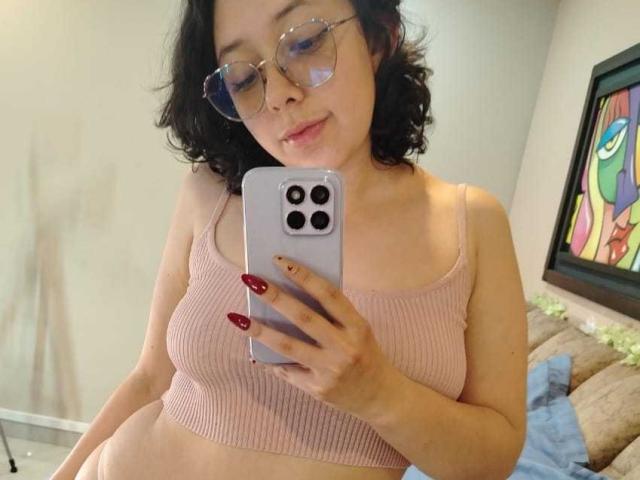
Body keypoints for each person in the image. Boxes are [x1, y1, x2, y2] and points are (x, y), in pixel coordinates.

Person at [53, 0, 528, 478]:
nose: (278, 94)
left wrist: (380, 393)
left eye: (304, 43)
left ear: (378, 37)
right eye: (243, 79)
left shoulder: (472, 223)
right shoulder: (208, 192)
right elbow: (149, 378)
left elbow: (492, 461)